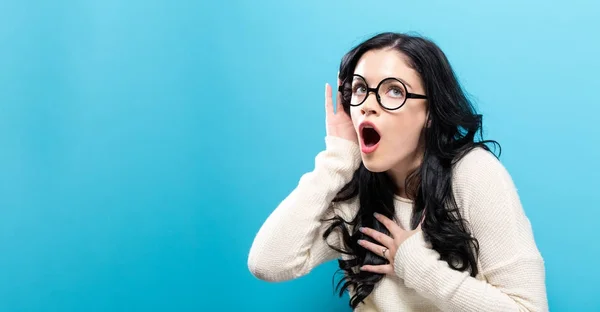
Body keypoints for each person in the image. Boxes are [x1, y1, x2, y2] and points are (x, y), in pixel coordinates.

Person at [247, 32, 548, 312]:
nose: (367, 105)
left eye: (394, 91)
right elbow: (268, 263)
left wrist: (417, 266)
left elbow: (529, 308)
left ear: (430, 112)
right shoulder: (352, 186)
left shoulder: (473, 174)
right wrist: (336, 159)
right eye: (361, 88)